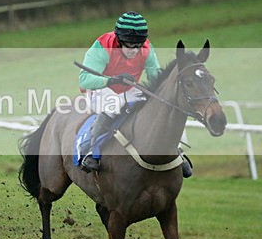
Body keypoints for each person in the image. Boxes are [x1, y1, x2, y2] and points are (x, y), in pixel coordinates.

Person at [78, 11, 193, 176]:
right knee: (113, 104)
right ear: (119, 40)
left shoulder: (146, 48)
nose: (133, 49)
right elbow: (84, 80)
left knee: (162, 105)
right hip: (99, 89)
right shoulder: (103, 46)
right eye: (128, 44)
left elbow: (156, 77)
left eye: (137, 44)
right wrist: (112, 80)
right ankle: (91, 151)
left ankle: (176, 151)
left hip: (130, 88)